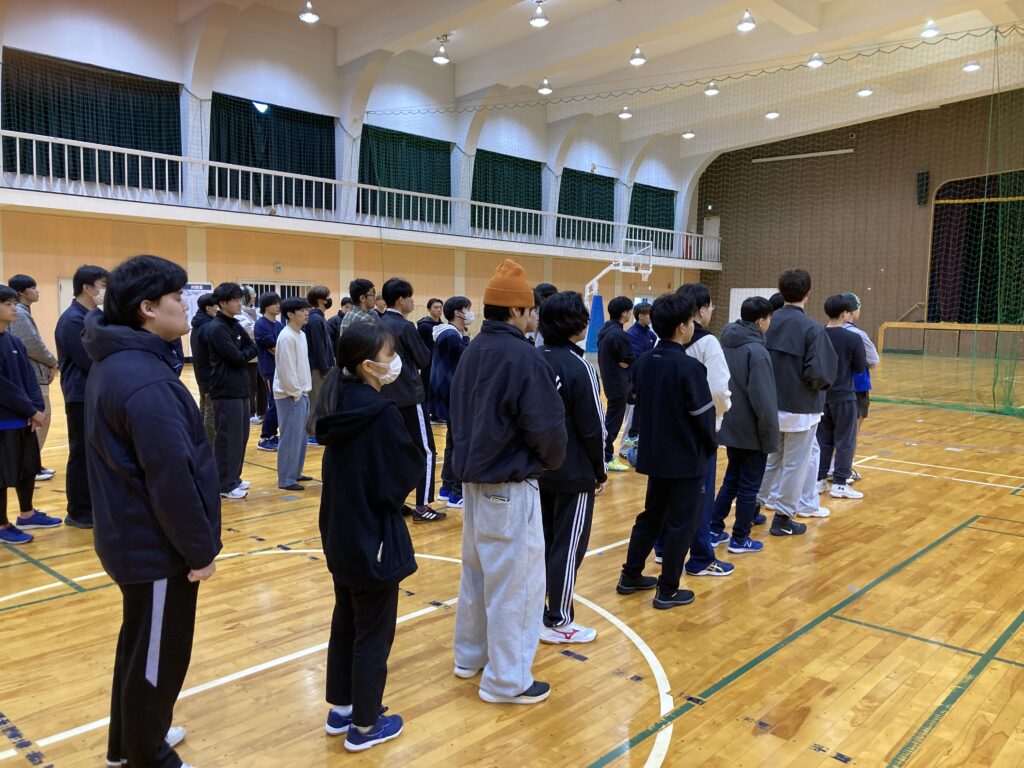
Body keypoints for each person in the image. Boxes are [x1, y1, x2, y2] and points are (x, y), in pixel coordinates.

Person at [82, 254, 220, 768]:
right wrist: (199, 550)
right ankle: (149, 756)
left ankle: (128, 747)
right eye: (176, 298)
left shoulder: (118, 361)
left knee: (140, 647)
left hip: (130, 537)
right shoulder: (146, 380)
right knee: (157, 664)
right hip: (155, 548)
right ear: (147, 308)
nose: (186, 306)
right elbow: (171, 480)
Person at [451, 258, 567, 705]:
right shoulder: (523, 357)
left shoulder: (473, 350)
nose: (534, 317)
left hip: (474, 484)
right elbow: (546, 428)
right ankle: (507, 681)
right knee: (516, 586)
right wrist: (551, 461)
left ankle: (470, 656)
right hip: (509, 487)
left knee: (477, 576)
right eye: (531, 309)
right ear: (517, 310)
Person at [315, 322, 421, 752]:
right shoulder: (378, 413)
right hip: (370, 533)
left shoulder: (338, 399)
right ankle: (363, 726)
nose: (395, 361)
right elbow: (402, 472)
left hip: (339, 530)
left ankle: (342, 708)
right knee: (373, 632)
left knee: (347, 619)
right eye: (389, 354)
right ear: (367, 366)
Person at [616, 292, 716, 610]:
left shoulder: (644, 362)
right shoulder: (690, 368)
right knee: (681, 523)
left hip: (654, 454)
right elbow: (704, 418)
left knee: (652, 516)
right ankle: (668, 589)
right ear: (683, 327)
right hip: (685, 458)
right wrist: (710, 447)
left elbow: (636, 400)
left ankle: (630, 575)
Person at [538, 291, 606, 644]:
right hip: (573, 471)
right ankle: (559, 619)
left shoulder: (532, 359)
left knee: (543, 543)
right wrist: (600, 471)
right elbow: (593, 427)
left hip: (536, 471)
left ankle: (536, 612)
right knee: (568, 546)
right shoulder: (580, 367)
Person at [758, 269, 838, 537]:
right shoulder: (812, 329)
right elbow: (820, 373)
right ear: (808, 294)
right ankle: (782, 517)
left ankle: (753, 508)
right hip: (800, 409)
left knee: (771, 461)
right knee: (795, 465)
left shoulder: (766, 323)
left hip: (768, 405)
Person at [710, 296, 779, 554]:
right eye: (769, 318)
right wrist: (770, 435)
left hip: (730, 424)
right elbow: (764, 400)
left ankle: (714, 529)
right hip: (752, 429)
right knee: (749, 485)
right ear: (761, 321)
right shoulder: (757, 352)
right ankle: (740, 538)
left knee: (732, 479)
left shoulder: (724, 342)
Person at [674, 283, 734, 578]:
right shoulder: (708, 342)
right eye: (710, 306)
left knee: (669, 493)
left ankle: (663, 548)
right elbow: (718, 391)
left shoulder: (664, 340)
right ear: (699, 310)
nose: (712, 311)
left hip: (669, 428)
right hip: (699, 429)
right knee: (700, 495)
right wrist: (719, 414)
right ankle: (700, 557)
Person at [377, 278, 445, 523]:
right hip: (408, 395)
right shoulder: (405, 327)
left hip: (383, 396)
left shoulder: (376, 323)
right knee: (425, 451)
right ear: (400, 300)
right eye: (410, 297)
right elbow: (424, 358)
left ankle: (393, 501)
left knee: (392, 451)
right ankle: (422, 506)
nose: (413, 302)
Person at [0, 284, 56, 544]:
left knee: (28, 468)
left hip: (24, 419)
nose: (14, 308)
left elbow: (29, 379)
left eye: (14, 303)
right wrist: (30, 409)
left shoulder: (14, 343)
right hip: (5, 421)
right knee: (2, 475)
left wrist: (37, 408)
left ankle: (27, 513)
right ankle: (2, 525)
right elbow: (4, 387)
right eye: (8, 304)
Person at [54, 264, 109, 529]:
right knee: (81, 454)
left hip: (95, 394)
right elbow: (90, 359)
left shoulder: (92, 316)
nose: (106, 291)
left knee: (96, 452)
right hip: (80, 396)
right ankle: (78, 511)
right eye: (103, 285)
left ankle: (94, 505)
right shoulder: (73, 320)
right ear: (87, 288)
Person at [207, 282, 258, 500]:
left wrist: (245, 351)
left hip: (240, 387)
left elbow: (253, 346)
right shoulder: (217, 328)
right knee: (228, 438)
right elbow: (236, 357)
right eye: (235, 300)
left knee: (241, 436)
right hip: (226, 390)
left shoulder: (234, 325)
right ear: (223, 303)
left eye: (240, 299)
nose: (239, 304)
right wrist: (245, 352)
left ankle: (234, 477)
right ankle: (224, 484)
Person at [8, 274, 58, 480]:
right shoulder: (20, 313)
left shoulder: (22, 312)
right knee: (40, 417)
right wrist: (52, 361)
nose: (37, 291)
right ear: (22, 292)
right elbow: (31, 344)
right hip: (32, 376)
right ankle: (29, 466)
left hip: (34, 374)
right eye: (33, 288)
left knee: (40, 418)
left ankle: (33, 463)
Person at [817, 295, 867, 500]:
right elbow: (860, 366)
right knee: (845, 440)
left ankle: (819, 480)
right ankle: (839, 483)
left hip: (821, 395)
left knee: (823, 440)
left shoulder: (817, 334)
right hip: (844, 395)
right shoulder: (853, 338)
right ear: (845, 313)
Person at [430, 296, 473, 509]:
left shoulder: (448, 333)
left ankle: (446, 489)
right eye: (468, 308)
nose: (470, 313)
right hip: (453, 396)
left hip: (448, 395)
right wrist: (467, 339)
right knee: (459, 445)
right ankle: (457, 493)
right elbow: (466, 359)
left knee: (452, 443)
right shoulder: (452, 336)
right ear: (458, 312)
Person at [273, 297, 313, 491]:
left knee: (301, 438)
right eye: (302, 310)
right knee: (290, 438)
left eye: (307, 310)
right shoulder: (286, 336)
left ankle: (295, 472)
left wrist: (303, 392)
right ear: (290, 314)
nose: (306, 313)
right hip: (290, 395)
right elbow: (286, 370)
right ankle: (286, 479)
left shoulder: (301, 335)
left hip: (302, 392)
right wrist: (296, 393)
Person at [840, 291, 878, 482]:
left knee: (832, 432)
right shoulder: (858, 335)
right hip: (856, 387)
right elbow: (873, 361)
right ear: (852, 311)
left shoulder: (824, 330)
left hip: (832, 387)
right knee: (851, 433)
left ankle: (828, 469)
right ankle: (843, 471)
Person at [597, 296, 636, 472]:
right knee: (613, 424)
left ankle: (604, 455)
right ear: (624, 312)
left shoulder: (605, 331)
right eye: (629, 310)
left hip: (611, 382)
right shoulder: (619, 335)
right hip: (619, 385)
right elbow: (629, 360)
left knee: (611, 422)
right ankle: (606, 457)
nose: (630, 313)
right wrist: (624, 363)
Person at [622, 301, 656, 450]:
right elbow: (637, 358)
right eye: (649, 314)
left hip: (646, 381)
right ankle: (624, 448)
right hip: (634, 383)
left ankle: (635, 449)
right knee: (631, 418)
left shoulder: (650, 333)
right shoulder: (631, 334)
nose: (651, 317)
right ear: (640, 316)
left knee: (640, 417)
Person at [304, 286, 335, 439]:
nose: (329, 299)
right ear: (320, 300)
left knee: (320, 400)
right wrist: (324, 369)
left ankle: (316, 431)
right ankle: (312, 433)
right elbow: (319, 347)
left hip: (321, 367)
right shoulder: (315, 319)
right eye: (327, 296)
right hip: (317, 368)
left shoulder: (319, 317)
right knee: (316, 401)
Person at [254, 292, 284, 452]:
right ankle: (265, 437)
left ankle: (272, 435)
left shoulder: (279, 325)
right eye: (275, 303)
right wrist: (279, 350)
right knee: (273, 403)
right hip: (269, 369)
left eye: (279, 302)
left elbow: (282, 347)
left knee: (279, 402)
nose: (279, 306)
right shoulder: (261, 324)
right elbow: (273, 346)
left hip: (280, 368)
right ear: (266, 306)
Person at [189, 294, 218, 446]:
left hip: (201, 372)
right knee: (211, 411)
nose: (219, 308)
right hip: (210, 374)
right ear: (208, 308)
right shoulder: (208, 327)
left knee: (204, 407)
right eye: (217, 305)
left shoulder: (199, 324)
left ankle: (199, 443)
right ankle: (208, 446)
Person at [236, 286, 264, 425]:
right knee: (251, 386)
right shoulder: (238, 314)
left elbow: (261, 329)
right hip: (249, 358)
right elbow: (251, 331)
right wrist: (261, 329)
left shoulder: (257, 312)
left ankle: (262, 412)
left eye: (254, 294)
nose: (254, 297)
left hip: (261, 355)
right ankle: (251, 413)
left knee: (263, 386)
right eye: (251, 294)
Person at [417, 297, 443, 420]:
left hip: (440, 362)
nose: (439, 310)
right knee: (427, 388)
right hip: (427, 362)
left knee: (439, 387)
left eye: (440, 307)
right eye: (435, 307)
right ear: (429, 309)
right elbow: (419, 345)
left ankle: (437, 414)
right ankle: (426, 413)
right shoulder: (424, 326)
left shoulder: (442, 326)